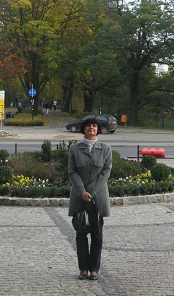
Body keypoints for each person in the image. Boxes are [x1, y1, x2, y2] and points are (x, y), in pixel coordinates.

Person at [68, 117, 113, 281]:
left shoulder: (106, 148)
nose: (91, 128)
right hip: (79, 196)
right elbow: (72, 172)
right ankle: (83, 269)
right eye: (88, 126)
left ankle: (94, 268)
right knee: (80, 233)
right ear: (84, 129)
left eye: (94, 126)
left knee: (96, 233)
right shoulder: (74, 149)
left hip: (97, 196)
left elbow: (106, 171)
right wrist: (81, 191)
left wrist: (91, 191)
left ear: (98, 129)